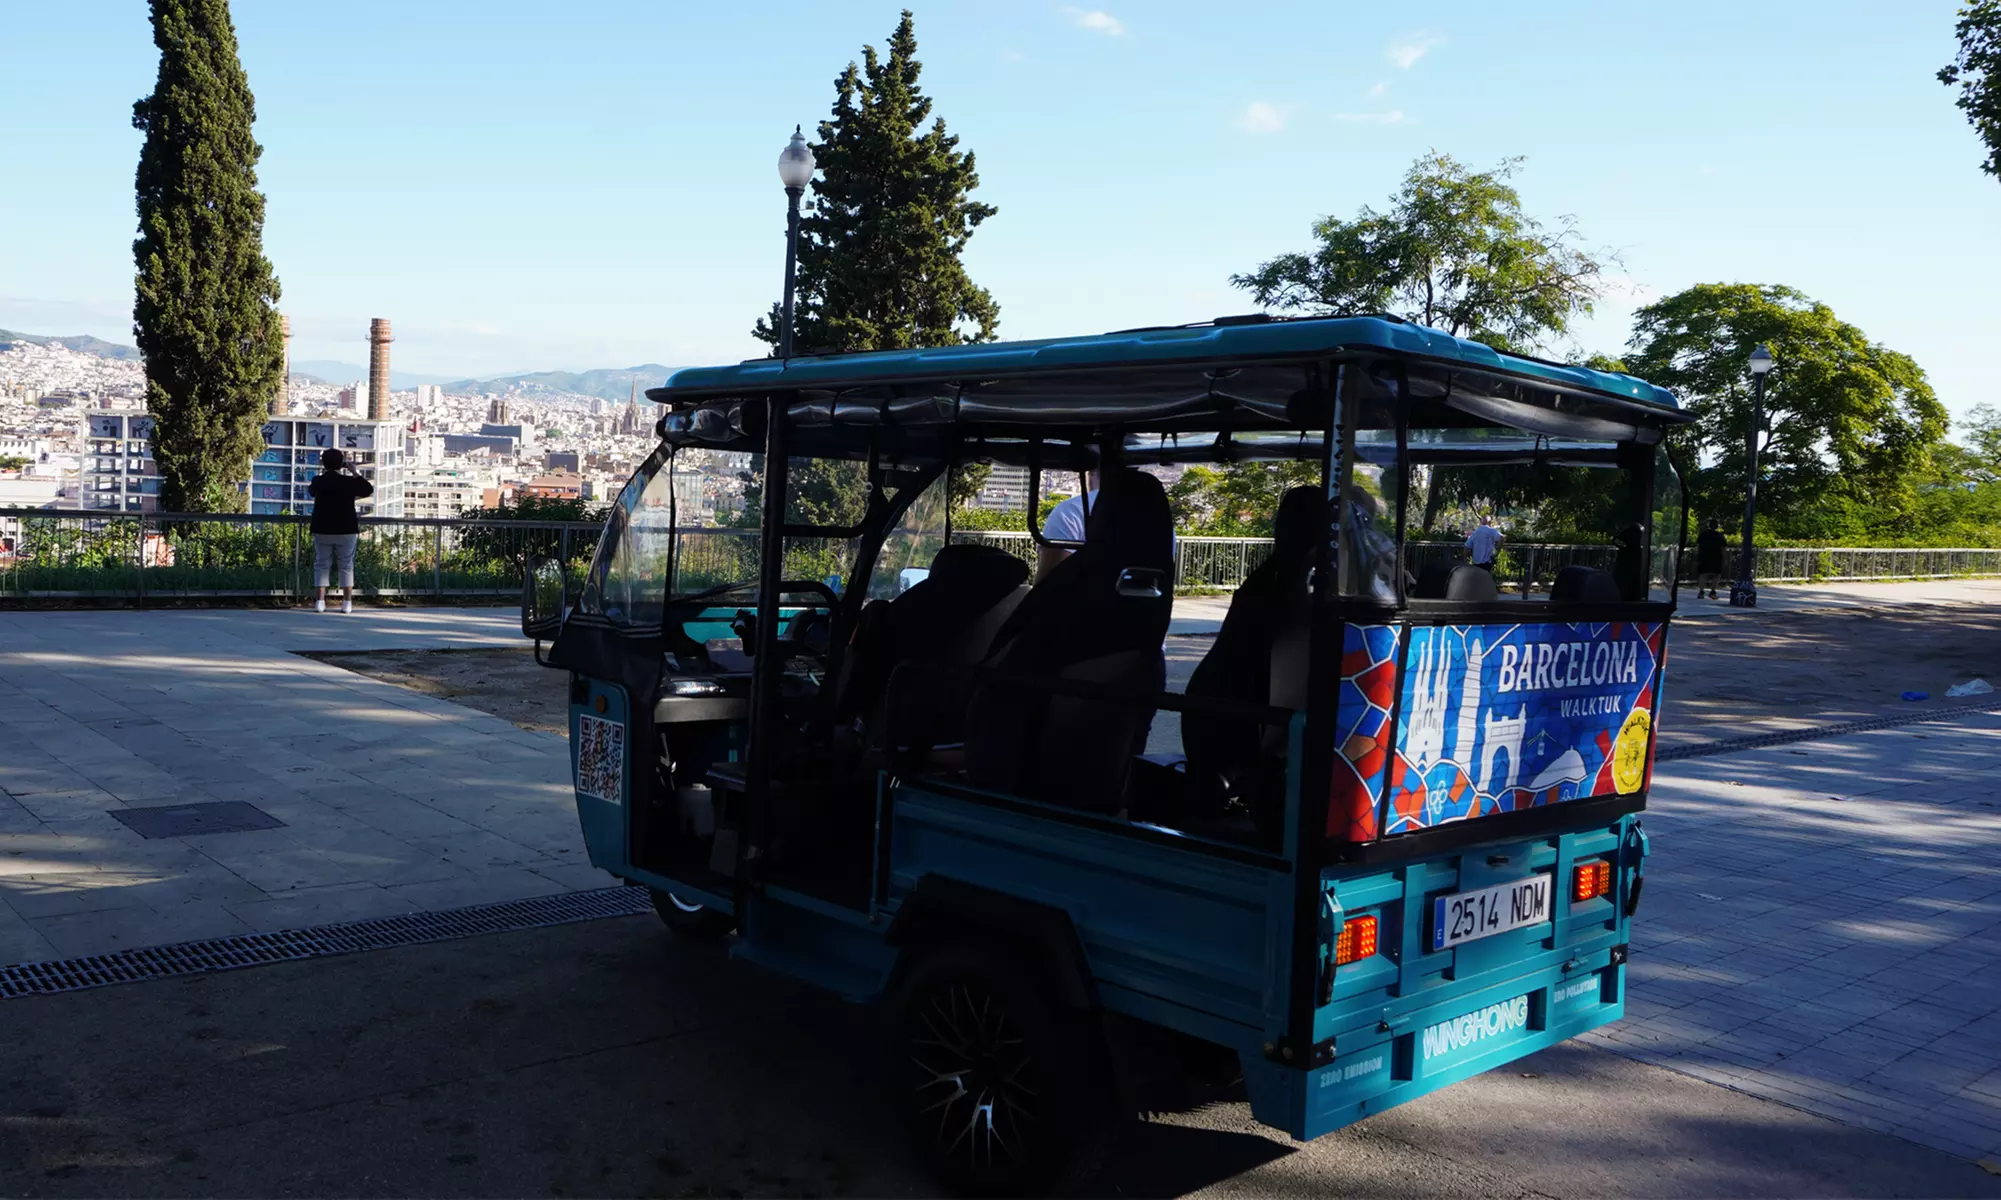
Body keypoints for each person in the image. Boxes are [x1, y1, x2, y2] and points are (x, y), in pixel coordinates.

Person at [309, 448, 373, 614]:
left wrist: (324, 473)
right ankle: (347, 603)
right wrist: (354, 472)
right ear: (341, 463)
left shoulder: (318, 481)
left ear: (324, 463)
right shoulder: (348, 482)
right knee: (346, 565)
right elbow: (367, 490)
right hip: (346, 528)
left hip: (322, 528)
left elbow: (311, 492)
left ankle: (320, 602)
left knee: (321, 564)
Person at [1695, 518, 1727, 600]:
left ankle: (1701, 592)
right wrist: (1725, 558)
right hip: (1716, 557)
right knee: (1716, 575)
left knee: (1703, 574)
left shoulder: (1703, 534)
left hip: (1704, 556)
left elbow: (1698, 546)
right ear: (1717, 526)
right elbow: (1723, 548)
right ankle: (1713, 592)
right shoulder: (1719, 536)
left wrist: (1698, 555)